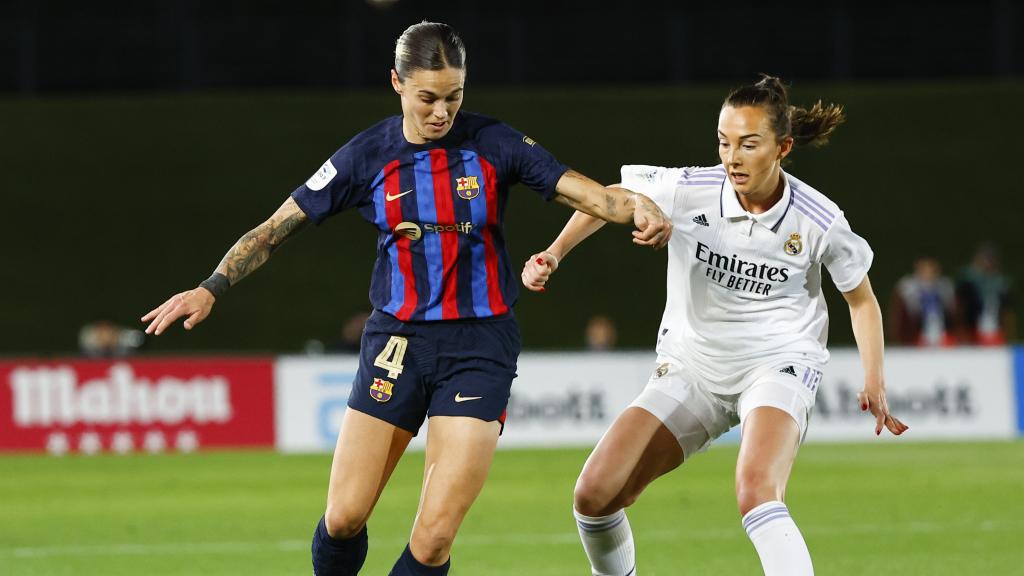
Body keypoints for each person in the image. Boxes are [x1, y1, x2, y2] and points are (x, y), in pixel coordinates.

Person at [140, 21, 671, 576]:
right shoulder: (367, 156)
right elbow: (275, 228)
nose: (442, 112)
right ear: (397, 83)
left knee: (434, 537)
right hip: (396, 343)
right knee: (344, 518)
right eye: (428, 98)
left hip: (480, 347)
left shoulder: (495, 143)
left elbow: (592, 196)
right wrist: (211, 286)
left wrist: (640, 207)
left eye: (454, 97)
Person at [521, 75, 908, 576]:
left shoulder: (819, 219)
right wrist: (553, 253)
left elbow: (862, 301)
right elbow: (611, 196)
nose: (732, 157)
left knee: (756, 493)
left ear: (783, 147)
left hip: (777, 365)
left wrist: (874, 379)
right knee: (594, 495)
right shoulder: (690, 190)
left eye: (749, 144)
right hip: (692, 368)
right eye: (724, 142)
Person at [888, 255, 958, 346]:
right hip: (915, 335)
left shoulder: (945, 286)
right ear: (917, 269)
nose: (928, 272)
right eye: (924, 269)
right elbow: (896, 315)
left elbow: (953, 313)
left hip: (942, 334)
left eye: (931, 269)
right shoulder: (906, 287)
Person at [955, 244, 1015, 345]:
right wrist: (961, 332)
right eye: (984, 259)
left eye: (990, 259)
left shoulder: (1001, 283)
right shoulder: (968, 282)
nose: (987, 263)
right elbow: (960, 308)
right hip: (973, 331)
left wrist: (1009, 336)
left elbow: (1007, 313)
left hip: (995, 330)